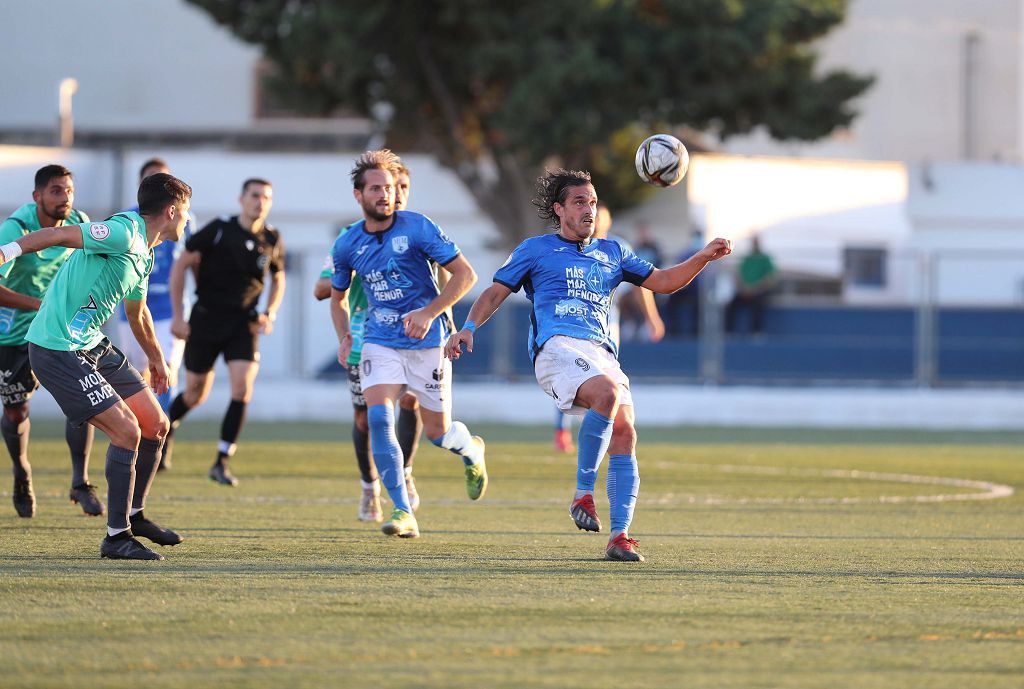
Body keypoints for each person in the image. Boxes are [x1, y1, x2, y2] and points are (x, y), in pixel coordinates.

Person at [446, 169, 730, 562]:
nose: (589, 209)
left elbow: (663, 282)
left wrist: (701, 257)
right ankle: (583, 492)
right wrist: (468, 327)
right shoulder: (535, 249)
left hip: (602, 351)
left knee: (626, 434)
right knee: (607, 395)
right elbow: (495, 291)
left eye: (593, 202)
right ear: (559, 209)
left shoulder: (613, 252)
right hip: (556, 348)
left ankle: (620, 537)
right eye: (580, 202)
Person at [0, 172, 192, 560]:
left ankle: (134, 516)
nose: (187, 219)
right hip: (56, 348)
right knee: (126, 430)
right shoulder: (124, 232)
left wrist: (156, 359)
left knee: (156, 425)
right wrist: (6, 253)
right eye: (186, 212)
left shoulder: (146, 251)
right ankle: (116, 537)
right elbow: (56, 236)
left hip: (91, 345)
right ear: (172, 211)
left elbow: (137, 316)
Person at [329, 149, 488, 539]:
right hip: (380, 341)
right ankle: (402, 510)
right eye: (375, 188)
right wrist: (345, 333)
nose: (385, 194)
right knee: (380, 418)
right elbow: (337, 297)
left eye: (389, 187)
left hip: (427, 342)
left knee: (438, 432)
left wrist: (429, 313)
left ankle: (471, 450)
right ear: (358, 195)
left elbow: (465, 275)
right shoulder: (347, 243)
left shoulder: (417, 227)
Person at [314, 162, 425, 522]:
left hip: (415, 336)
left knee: (411, 405)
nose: (396, 194)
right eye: (387, 187)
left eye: (402, 187)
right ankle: (368, 486)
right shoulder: (352, 236)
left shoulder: (422, 233)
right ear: (364, 194)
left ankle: (404, 474)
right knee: (366, 419)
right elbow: (324, 287)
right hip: (368, 336)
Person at [165, 178, 286, 486]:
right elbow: (181, 265)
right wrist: (179, 316)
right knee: (195, 394)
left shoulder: (271, 238)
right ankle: (164, 429)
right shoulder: (219, 229)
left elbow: (278, 278)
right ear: (241, 199)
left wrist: (269, 313)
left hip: (243, 325)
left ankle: (221, 461)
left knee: (242, 389)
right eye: (255, 195)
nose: (260, 202)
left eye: (266, 197)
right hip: (206, 320)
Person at [0, 165, 100, 518]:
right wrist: (39, 305)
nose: (65, 198)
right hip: (15, 333)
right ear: (37, 196)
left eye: (69, 191)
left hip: (62, 330)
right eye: (56, 191)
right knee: (16, 411)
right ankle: (21, 469)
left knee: (83, 399)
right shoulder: (16, 229)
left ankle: (80, 481)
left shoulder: (81, 221)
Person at [552, 202, 664, 453]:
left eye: (602, 217)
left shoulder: (619, 248)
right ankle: (562, 429)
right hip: (575, 325)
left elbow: (640, 285)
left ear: (609, 221)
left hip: (608, 326)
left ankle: (600, 432)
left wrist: (652, 318)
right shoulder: (571, 246)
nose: (597, 221)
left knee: (605, 381)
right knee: (573, 379)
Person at [115, 158, 195, 471]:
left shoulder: (186, 220)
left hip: (167, 310)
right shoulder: (125, 224)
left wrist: (187, 311)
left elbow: (192, 259)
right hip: (132, 310)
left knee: (166, 371)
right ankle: (138, 439)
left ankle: (159, 439)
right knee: (136, 377)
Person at [725, 234, 776, 336]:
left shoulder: (765, 259)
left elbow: (770, 278)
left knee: (758, 306)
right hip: (744, 291)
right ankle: (728, 332)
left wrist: (755, 289)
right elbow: (738, 275)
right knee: (731, 305)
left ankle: (756, 332)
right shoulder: (747, 259)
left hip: (759, 292)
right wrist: (744, 288)